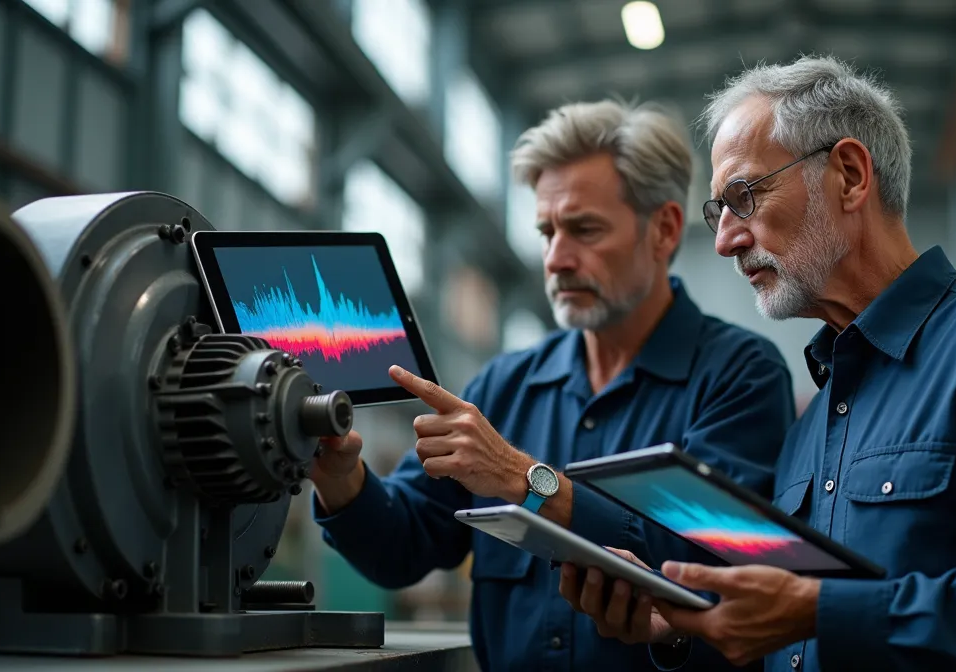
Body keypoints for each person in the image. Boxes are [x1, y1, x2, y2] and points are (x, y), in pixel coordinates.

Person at [561, 56, 956, 671]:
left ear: (851, 176)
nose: (726, 238)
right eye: (717, 212)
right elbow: (792, 636)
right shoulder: (813, 422)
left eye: (744, 196)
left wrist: (825, 609)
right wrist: (679, 626)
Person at [308, 98, 796, 671]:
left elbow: (705, 560)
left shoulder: (738, 376)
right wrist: (341, 480)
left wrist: (525, 482)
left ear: (663, 229)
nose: (557, 259)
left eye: (584, 229)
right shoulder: (503, 387)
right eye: (546, 232)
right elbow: (403, 548)